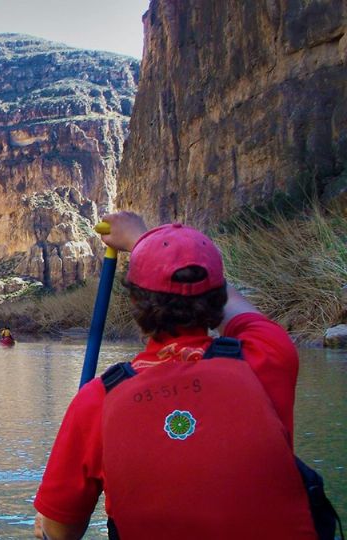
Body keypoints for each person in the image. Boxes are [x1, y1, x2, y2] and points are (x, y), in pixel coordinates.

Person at [33, 212, 317, 540]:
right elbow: (238, 307)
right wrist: (142, 239)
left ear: (136, 303)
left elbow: (61, 530)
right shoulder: (268, 356)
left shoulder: (97, 401)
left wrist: (46, 526)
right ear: (219, 295)